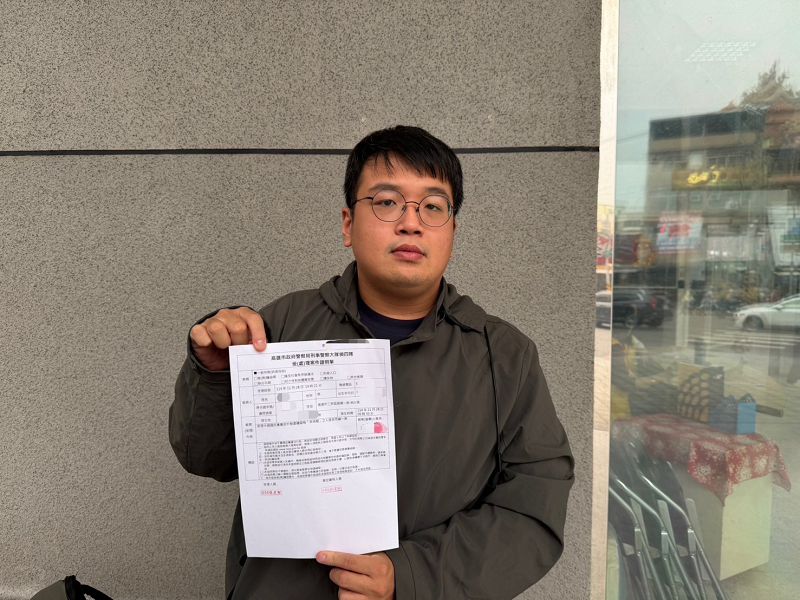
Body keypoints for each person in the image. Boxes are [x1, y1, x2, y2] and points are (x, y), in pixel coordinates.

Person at [169, 125, 574, 599]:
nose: (410, 223)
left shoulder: (503, 356)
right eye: (387, 202)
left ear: (452, 231)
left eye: (433, 206)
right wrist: (213, 373)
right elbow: (206, 459)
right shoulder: (278, 326)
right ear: (348, 224)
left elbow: (533, 509)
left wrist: (409, 576)